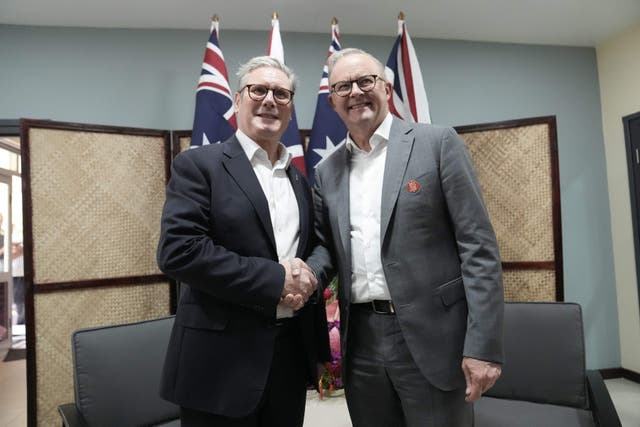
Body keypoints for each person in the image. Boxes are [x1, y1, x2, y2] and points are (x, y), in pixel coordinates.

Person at [306, 48, 504, 427]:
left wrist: (483, 347)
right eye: (343, 86)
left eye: (366, 81)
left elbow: (478, 249)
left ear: (386, 86)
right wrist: (301, 275)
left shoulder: (437, 143)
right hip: (360, 339)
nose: (356, 92)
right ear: (332, 100)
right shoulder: (325, 172)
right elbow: (325, 249)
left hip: (434, 338)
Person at [157, 56, 330, 427]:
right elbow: (179, 252)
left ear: (290, 108)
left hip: (288, 356)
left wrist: (309, 276)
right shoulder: (199, 165)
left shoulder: (301, 180)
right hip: (218, 363)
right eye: (259, 90)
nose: (270, 100)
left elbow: (316, 247)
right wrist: (275, 279)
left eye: (281, 93)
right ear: (237, 101)